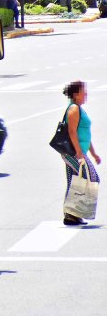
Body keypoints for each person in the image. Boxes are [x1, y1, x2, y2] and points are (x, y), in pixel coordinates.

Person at [61, 80, 101, 226]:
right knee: (90, 177)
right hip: (72, 153)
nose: (86, 94)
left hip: (78, 152)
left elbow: (84, 134)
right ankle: (70, 214)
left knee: (77, 180)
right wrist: (78, 151)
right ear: (76, 94)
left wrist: (94, 154)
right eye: (84, 92)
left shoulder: (79, 108)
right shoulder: (73, 109)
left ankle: (73, 215)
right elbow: (72, 132)